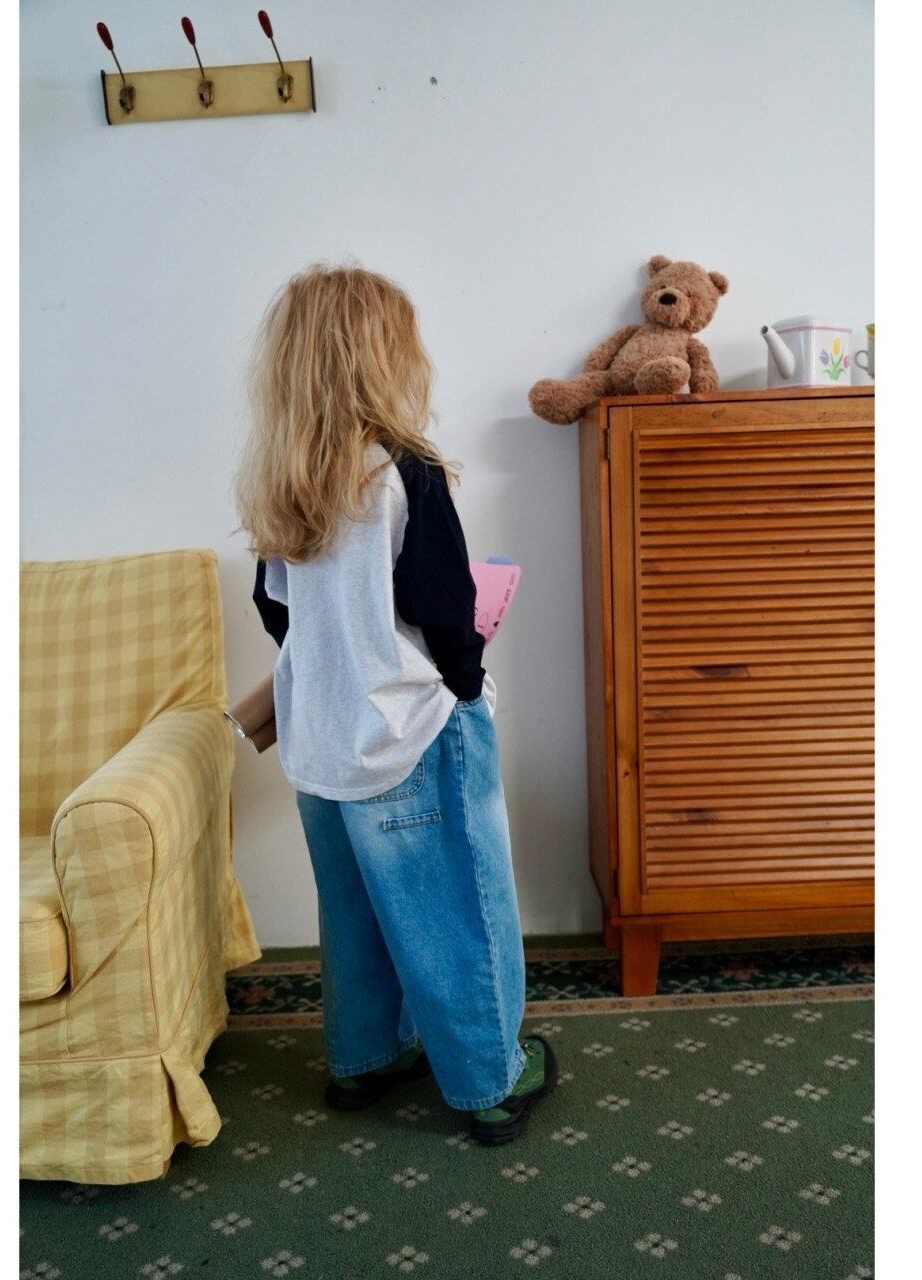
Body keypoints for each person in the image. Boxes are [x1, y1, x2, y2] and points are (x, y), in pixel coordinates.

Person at [235, 264, 553, 1145]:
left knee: (358, 911)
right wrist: (465, 690)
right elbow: (445, 608)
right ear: (384, 357)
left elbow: (275, 611)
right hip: (411, 731)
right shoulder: (406, 471)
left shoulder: (282, 481)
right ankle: (489, 1080)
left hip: (319, 734)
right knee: (457, 909)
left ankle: (364, 1060)